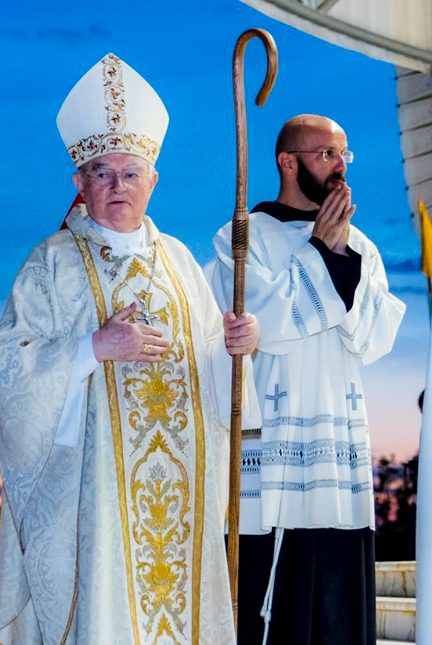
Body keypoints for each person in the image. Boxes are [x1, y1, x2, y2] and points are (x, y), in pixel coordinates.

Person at [0, 53, 260, 644]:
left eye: (130, 173)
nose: (117, 187)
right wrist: (93, 348)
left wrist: (238, 347)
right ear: (79, 183)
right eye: (102, 173)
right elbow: (10, 366)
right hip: (96, 502)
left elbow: (215, 371)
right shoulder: (50, 264)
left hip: (181, 499)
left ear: (153, 181)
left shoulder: (181, 263)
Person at [207, 114, 406, 645]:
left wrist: (338, 252)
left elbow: (374, 337)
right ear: (287, 162)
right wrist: (320, 253)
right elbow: (264, 323)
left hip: (336, 454)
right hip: (271, 451)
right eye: (326, 154)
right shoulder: (241, 238)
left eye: (344, 155)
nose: (340, 167)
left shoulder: (359, 245)